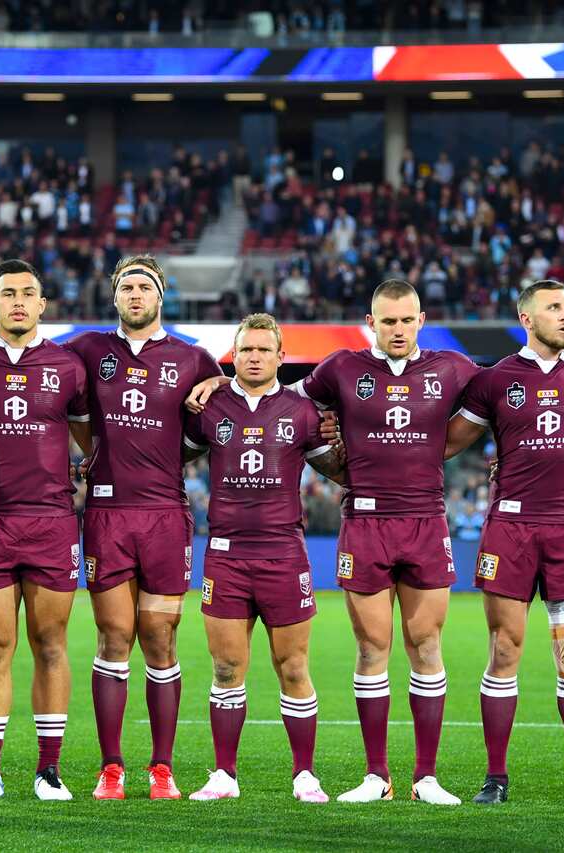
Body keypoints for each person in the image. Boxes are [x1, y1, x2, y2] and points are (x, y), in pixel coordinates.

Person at [191, 280, 490, 804]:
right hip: (363, 521)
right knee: (372, 648)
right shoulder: (339, 369)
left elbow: (514, 396)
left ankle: (426, 778)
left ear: (421, 320)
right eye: (387, 321)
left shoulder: (453, 367)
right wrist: (218, 383)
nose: (398, 329)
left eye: (407, 320)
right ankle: (377, 776)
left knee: (426, 645)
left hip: (424, 520)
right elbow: (286, 403)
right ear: (370, 323)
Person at [0, 254, 223, 801]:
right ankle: (109, 767)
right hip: (104, 515)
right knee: (112, 636)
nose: (135, 294)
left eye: (145, 286)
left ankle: (160, 768)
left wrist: (219, 382)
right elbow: (30, 376)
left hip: (164, 514)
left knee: (160, 640)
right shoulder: (83, 353)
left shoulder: (193, 358)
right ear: (113, 295)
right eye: (126, 286)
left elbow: (231, 397)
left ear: (161, 295)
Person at [444, 279, 564, 807]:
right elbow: (447, 442)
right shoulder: (494, 380)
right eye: (553, 307)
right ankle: (495, 778)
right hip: (511, 528)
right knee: (504, 650)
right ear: (526, 319)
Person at [180, 313, 344, 803]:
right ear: (235, 354)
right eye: (245, 350)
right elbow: (168, 457)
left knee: (292, 665)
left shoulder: (303, 410)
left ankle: (305, 774)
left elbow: (338, 469)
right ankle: (224, 775)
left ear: (280, 354)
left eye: (262, 350)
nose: (254, 357)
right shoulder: (210, 406)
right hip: (226, 554)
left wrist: (346, 436)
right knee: (227, 667)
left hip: (283, 553)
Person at [0, 260, 90, 802]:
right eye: (8, 294)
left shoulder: (68, 366)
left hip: (52, 523)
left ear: (43, 303)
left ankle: (48, 771)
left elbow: (87, 440)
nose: (19, 302)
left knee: (51, 644)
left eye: (29, 293)